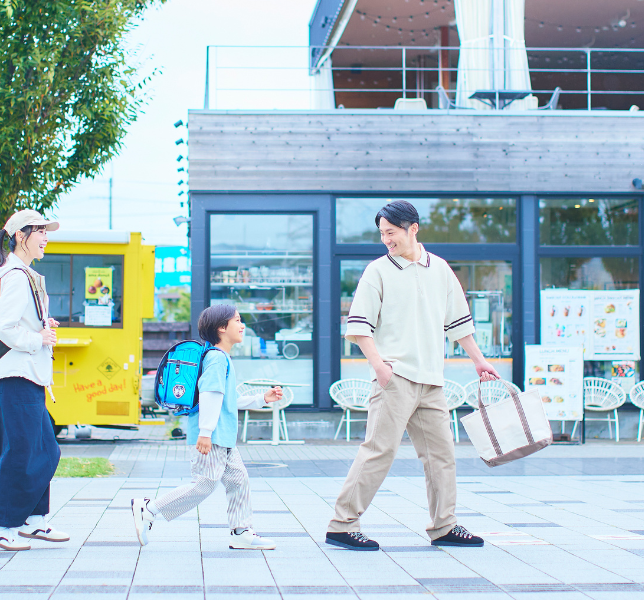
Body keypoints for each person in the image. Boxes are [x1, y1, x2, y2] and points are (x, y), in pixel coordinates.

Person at [325, 200, 500, 551]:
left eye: (391, 232)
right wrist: (379, 366)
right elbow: (360, 326)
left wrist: (478, 361)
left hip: (432, 381)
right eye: (382, 234)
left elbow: (459, 324)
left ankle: (444, 525)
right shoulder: (378, 271)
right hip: (395, 377)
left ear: (413, 228)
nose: (386, 239)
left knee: (441, 456)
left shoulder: (441, 269)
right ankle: (341, 525)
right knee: (378, 451)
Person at [131, 304, 282, 550]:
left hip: (222, 437)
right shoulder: (216, 358)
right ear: (222, 328)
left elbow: (227, 399)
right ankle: (149, 509)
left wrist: (261, 399)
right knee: (203, 485)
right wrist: (205, 433)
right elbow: (210, 394)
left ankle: (241, 532)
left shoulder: (220, 358)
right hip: (212, 437)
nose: (242, 325)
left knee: (238, 480)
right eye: (237, 320)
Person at [0, 209, 69, 551]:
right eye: (40, 232)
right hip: (16, 374)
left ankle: (34, 520)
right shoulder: (16, 276)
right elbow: (2, 325)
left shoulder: (23, 274)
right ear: (21, 236)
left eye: (47, 232)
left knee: (42, 448)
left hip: (25, 375)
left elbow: (16, 321)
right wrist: (37, 339)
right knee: (22, 452)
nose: (46, 237)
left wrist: (43, 327)